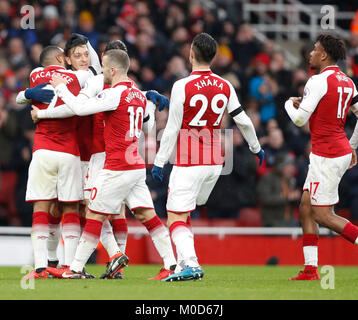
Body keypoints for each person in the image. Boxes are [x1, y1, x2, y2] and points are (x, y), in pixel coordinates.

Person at [39, 49, 176, 279]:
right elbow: (147, 128)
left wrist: (61, 86)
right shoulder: (138, 94)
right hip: (135, 166)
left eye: (103, 68)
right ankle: (171, 264)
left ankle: (74, 269)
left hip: (117, 166)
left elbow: (81, 108)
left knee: (94, 215)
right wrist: (150, 104)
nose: (102, 72)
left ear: (113, 70)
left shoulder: (114, 94)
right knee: (146, 215)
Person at [151, 33, 264, 281]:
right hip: (215, 163)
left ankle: (190, 263)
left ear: (191, 53)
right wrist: (256, 148)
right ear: (213, 57)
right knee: (185, 210)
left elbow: (172, 128)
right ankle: (182, 265)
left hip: (189, 160)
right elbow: (242, 120)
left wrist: (159, 161)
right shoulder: (225, 85)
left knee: (175, 214)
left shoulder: (182, 86)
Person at [285, 34, 358, 280]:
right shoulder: (347, 82)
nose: (310, 54)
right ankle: (310, 269)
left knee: (322, 214)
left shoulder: (317, 81)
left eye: (314, 50)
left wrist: (288, 103)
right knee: (306, 206)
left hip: (327, 154)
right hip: (333, 151)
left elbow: (299, 119)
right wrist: (353, 146)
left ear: (324, 54)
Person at [19, 46, 84, 279]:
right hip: (69, 152)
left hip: (43, 150)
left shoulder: (35, 75)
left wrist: (29, 98)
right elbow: (75, 108)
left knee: (41, 207)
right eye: (65, 56)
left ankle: (40, 268)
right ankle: (70, 267)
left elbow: (22, 97)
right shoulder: (76, 78)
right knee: (70, 207)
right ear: (60, 58)